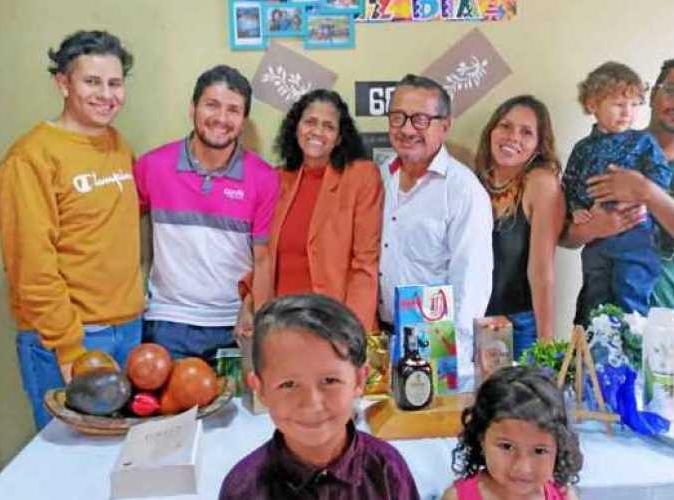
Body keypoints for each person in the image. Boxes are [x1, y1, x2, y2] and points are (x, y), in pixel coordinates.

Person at [0, 30, 143, 429]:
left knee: (120, 459)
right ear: (63, 83)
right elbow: (30, 266)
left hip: (128, 330)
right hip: (71, 338)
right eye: (91, 82)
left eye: (115, 83)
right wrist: (69, 346)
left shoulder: (117, 144)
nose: (106, 94)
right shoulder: (29, 158)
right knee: (70, 463)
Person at [564, 53, 674, 355]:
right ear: (652, 94)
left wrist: (646, 191)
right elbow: (566, 235)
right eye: (673, 89)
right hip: (598, 322)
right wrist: (595, 227)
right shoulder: (607, 146)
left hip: (672, 329)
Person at [133, 65, 278, 362]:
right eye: (212, 105)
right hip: (167, 322)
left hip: (233, 325)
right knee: (172, 409)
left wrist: (252, 311)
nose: (221, 119)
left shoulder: (264, 178)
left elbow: (263, 258)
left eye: (233, 110)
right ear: (193, 108)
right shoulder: (152, 166)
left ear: (243, 119)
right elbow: (114, 233)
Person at [219, 293, 421, 500]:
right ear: (260, 390)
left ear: (359, 380)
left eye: (330, 381)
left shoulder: (387, 471)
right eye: (288, 384)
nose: (312, 404)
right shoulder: (243, 489)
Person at [236, 89, 382, 335]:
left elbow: (364, 266)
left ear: (338, 138)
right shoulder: (277, 179)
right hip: (280, 328)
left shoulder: (361, 176)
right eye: (310, 122)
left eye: (328, 126)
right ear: (296, 128)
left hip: (334, 328)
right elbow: (264, 257)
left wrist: (352, 335)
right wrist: (249, 306)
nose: (317, 132)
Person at [379, 74, 493, 390]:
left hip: (436, 344)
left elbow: (472, 284)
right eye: (397, 117)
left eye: (420, 119)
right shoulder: (381, 176)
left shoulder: (463, 192)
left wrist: (448, 364)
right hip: (381, 338)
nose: (406, 129)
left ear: (444, 125)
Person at [563, 62, 672, 327]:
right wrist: (576, 208)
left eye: (634, 105)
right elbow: (570, 183)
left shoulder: (643, 142)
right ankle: (596, 354)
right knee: (594, 301)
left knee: (630, 299)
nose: (627, 113)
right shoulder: (583, 148)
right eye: (618, 104)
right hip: (596, 240)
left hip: (636, 235)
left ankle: (629, 354)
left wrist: (641, 196)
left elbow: (662, 175)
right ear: (592, 105)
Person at [475, 95, 565, 359]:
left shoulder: (540, 183)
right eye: (505, 126)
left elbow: (541, 271)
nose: (513, 137)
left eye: (526, 132)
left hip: (519, 327)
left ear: (538, 145)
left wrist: (546, 343)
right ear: (491, 131)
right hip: (472, 320)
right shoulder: (474, 181)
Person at [443, 366, 583, 500]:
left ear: (558, 449)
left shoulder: (564, 496)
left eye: (539, 450)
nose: (523, 468)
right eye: (506, 446)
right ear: (481, 439)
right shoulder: (457, 498)